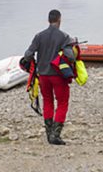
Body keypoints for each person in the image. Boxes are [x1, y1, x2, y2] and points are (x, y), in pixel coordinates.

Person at [23, 9, 74, 146]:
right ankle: (55, 135)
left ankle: (48, 133)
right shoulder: (64, 37)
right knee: (62, 103)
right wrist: (72, 45)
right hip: (58, 75)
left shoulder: (39, 36)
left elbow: (28, 54)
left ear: (48, 20)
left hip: (43, 75)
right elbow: (70, 56)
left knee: (48, 101)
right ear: (59, 20)